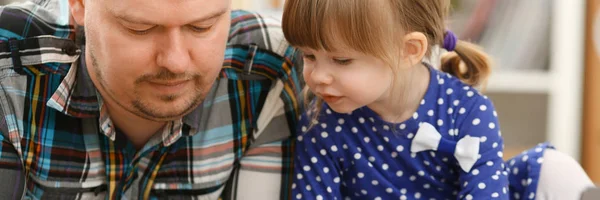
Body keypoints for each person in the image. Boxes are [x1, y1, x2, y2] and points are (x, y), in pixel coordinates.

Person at [282, 0, 595, 199]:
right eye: (308, 55)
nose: (318, 76)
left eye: (341, 60)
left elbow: (487, 192)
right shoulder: (321, 124)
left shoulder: (468, 109)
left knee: (553, 168)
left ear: (409, 51)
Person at [0, 0, 303, 199]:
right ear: (78, 5)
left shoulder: (273, 71)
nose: (175, 62)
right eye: (140, 29)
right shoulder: (8, 71)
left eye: (202, 27)